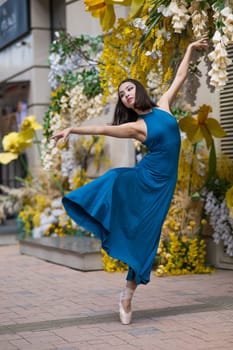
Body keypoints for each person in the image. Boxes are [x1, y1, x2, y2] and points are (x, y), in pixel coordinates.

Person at [53, 37, 209, 325]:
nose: (126, 94)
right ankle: (125, 295)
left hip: (163, 185)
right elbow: (102, 128)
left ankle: (126, 294)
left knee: (148, 239)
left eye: (129, 88)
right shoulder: (135, 127)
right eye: (122, 94)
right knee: (114, 179)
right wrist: (72, 128)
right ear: (124, 102)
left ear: (138, 89)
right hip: (144, 179)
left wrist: (188, 49)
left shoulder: (163, 106)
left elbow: (181, 76)